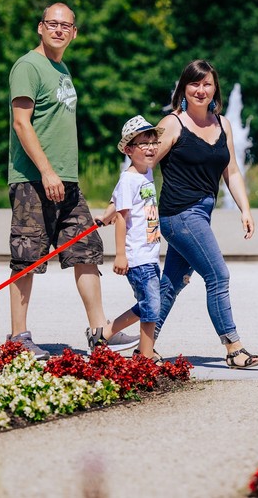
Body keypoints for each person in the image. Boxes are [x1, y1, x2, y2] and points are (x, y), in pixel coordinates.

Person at [6, 2, 138, 359]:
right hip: (33, 180)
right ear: (40, 27)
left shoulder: (62, 69)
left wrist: (60, 174)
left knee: (86, 250)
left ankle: (100, 332)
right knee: (27, 256)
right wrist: (47, 171)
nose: (59, 30)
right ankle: (18, 338)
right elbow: (22, 123)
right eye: (52, 24)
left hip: (67, 182)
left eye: (66, 26)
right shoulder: (28, 66)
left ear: (74, 32)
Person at [150, 59, 258, 369]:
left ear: (215, 88)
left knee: (171, 284)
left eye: (207, 84)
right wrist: (122, 204)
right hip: (179, 214)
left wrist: (245, 209)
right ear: (183, 88)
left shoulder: (222, 124)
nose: (201, 90)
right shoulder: (172, 123)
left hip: (201, 213)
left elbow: (233, 172)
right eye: (195, 84)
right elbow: (144, 161)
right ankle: (234, 348)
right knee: (218, 275)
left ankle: (139, 347)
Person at [97, 115, 166, 362]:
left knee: (150, 303)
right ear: (128, 150)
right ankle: (145, 357)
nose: (150, 148)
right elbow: (122, 218)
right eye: (143, 144)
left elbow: (116, 202)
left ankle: (104, 333)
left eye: (153, 143)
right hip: (136, 255)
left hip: (149, 253)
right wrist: (120, 255)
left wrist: (105, 214)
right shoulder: (129, 179)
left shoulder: (144, 173)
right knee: (152, 306)